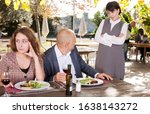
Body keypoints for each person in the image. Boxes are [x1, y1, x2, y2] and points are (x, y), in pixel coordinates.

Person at [43, 28, 113, 82]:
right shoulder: (47, 57)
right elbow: (43, 80)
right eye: (74, 41)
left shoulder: (73, 50)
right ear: (67, 44)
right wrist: (54, 78)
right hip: (59, 92)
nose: (75, 43)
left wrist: (97, 74)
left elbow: (83, 66)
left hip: (78, 87)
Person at [94, 1, 128, 80]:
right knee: (101, 81)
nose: (110, 15)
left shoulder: (124, 25)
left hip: (115, 57)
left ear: (118, 10)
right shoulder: (103, 22)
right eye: (108, 13)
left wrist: (105, 36)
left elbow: (120, 41)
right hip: (102, 55)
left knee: (116, 82)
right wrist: (112, 40)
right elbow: (97, 38)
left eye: (112, 12)